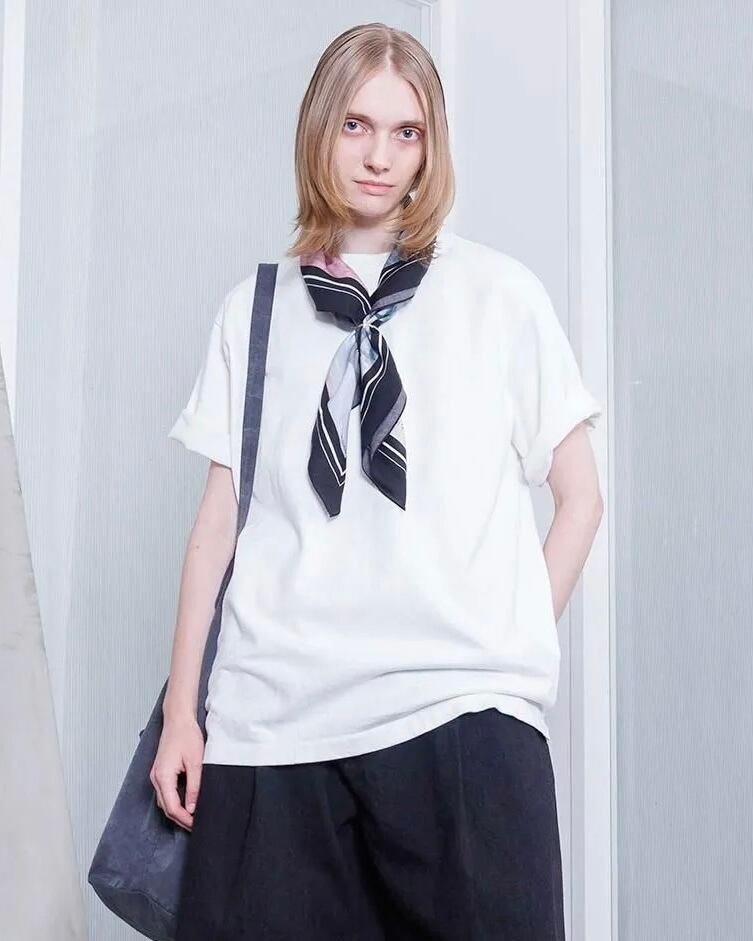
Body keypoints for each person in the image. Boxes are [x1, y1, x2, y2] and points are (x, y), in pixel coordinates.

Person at [154, 21, 603, 941]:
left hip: (454, 716)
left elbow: (581, 495)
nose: (378, 157)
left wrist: (507, 637)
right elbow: (217, 524)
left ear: (430, 148)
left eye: (406, 132)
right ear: (319, 128)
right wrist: (180, 713)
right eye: (356, 125)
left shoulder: (497, 294)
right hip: (274, 722)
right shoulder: (256, 309)